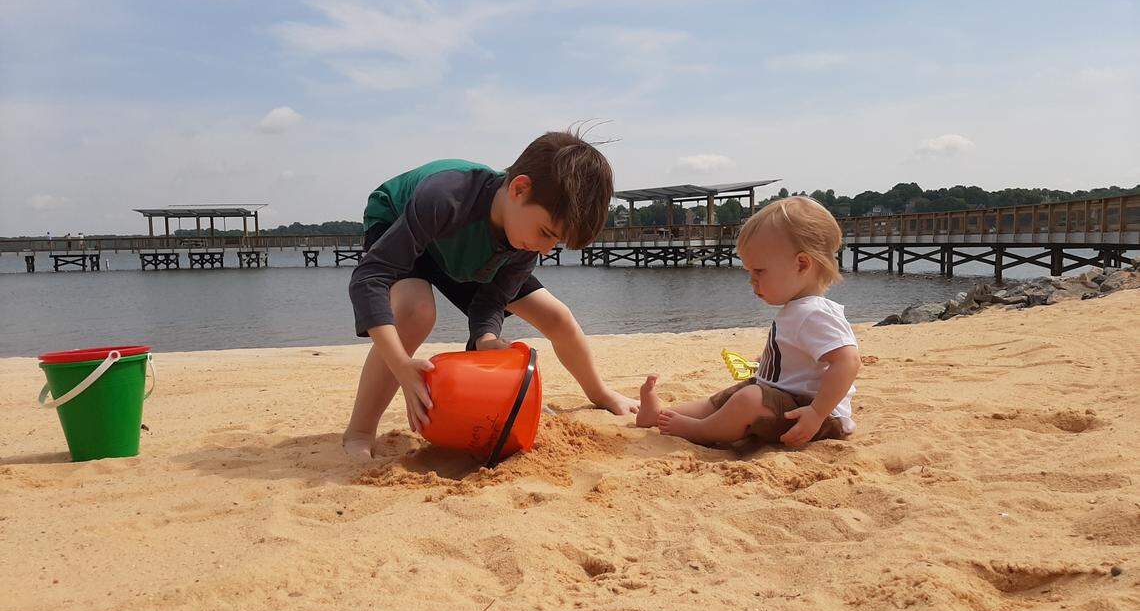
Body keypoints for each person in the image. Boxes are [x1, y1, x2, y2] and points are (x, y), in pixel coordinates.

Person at [344, 130, 639, 461]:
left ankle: (599, 392)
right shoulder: (447, 196)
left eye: (556, 242)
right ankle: (359, 432)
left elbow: (490, 300)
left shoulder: (525, 239)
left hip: (474, 253)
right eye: (546, 233)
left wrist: (485, 338)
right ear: (518, 189)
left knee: (556, 316)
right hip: (400, 221)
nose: (545, 249)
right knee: (416, 312)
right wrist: (400, 364)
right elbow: (369, 278)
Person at [637, 196, 860, 448]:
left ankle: (699, 431)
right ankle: (657, 416)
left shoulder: (815, 312)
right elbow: (797, 358)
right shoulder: (798, 309)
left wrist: (817, 413)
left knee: (748, 399)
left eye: (759, 271)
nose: (751, 281)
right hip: (783, 396)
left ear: (801, 264)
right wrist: (763, 364)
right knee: (725, 399)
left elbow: (848, 361)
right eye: (749, 272)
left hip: (811, 414)